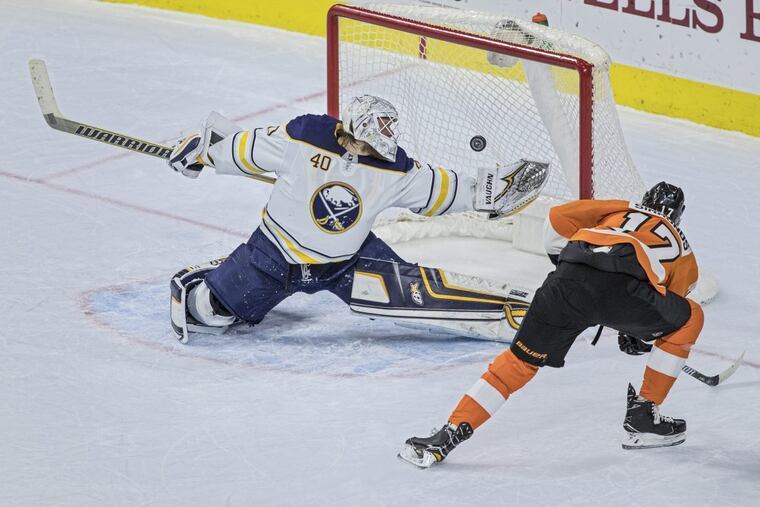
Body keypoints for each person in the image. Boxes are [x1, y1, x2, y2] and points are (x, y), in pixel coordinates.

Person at [166, 95, 549, 343]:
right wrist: (204, 150)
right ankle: (221, 274)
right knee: (205, 312)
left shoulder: (394, 168)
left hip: (347, 262)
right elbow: (244, 147)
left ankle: (517, 315)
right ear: (349, 131)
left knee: (420, 295)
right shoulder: (305, 136)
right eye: (370, 138)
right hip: (272, 258)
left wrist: (487, 191)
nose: (379, 145)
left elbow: (439, 189)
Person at [399, 182, 702, 468]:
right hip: (625, 294)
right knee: (692, 317)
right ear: (678, 217)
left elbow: (555, 220)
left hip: (567, 280)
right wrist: (637, 331)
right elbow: (671, 301)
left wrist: (568, 269)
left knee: (517, 364)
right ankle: (644, 416)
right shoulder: (677, 238)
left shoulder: (621, 208)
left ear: (645, 200)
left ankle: (447, 435)